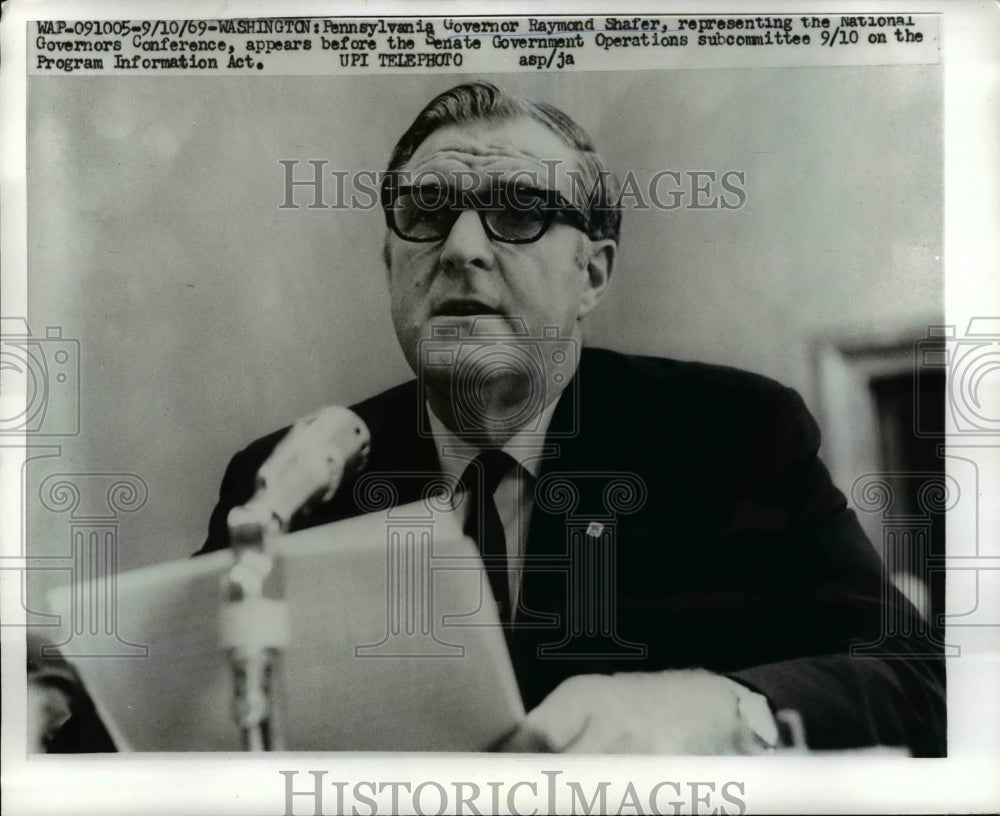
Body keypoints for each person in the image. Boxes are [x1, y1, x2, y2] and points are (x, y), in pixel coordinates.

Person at [199, 80, 945, 755]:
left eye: (517, 212)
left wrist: (723, 707)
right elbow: (180, 725)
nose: (460, 249)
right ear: (390, 263)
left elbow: (918, 685)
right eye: (426, 213)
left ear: (592, 273)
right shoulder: (291, 482)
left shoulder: (731, 434)